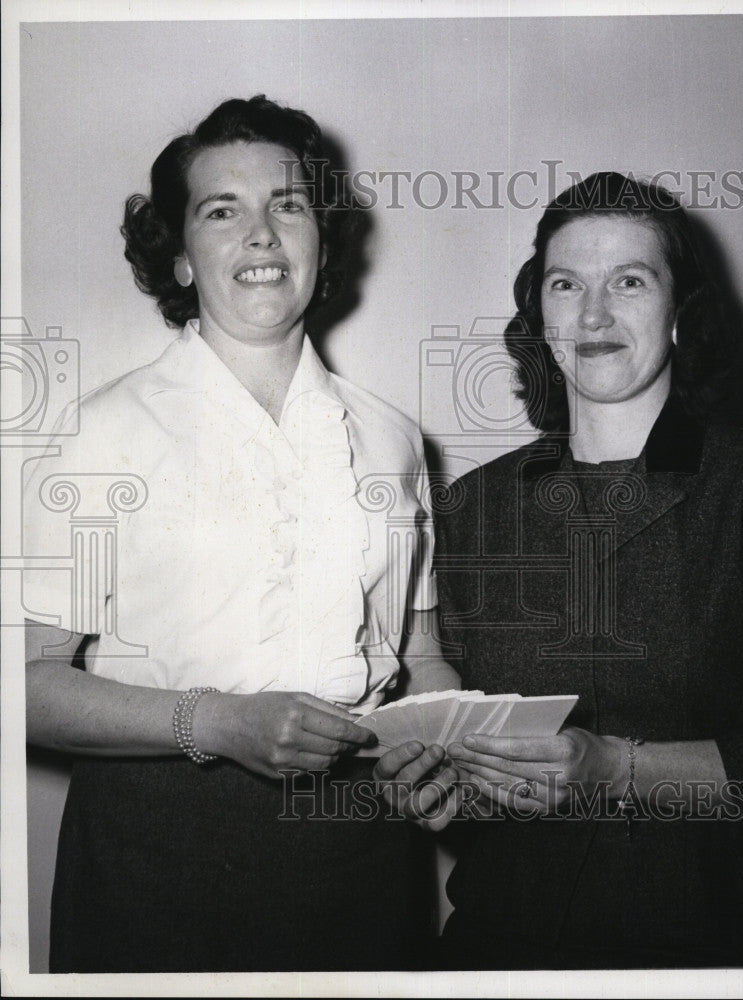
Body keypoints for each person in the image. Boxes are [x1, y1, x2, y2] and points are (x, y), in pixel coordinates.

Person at [23, 95, 459, 973]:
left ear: (321, 239)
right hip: (156, 851)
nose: (261, 234)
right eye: (223, 210)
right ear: (180, 257)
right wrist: (212, 722)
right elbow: (21, 684)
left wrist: (435, 743)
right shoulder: (100, 430)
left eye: (287, 204)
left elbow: (422, 653)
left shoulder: (393, 437)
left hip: (362, 848)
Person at [428, 172, 743, 969]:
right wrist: (431, 782)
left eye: (628, 280)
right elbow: (450, 734)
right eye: (565, 284)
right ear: (538, 313)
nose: (592, 314)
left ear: (681, 310)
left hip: (708, 951)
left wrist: (614, 768)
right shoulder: (473, 508)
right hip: (496, 950)